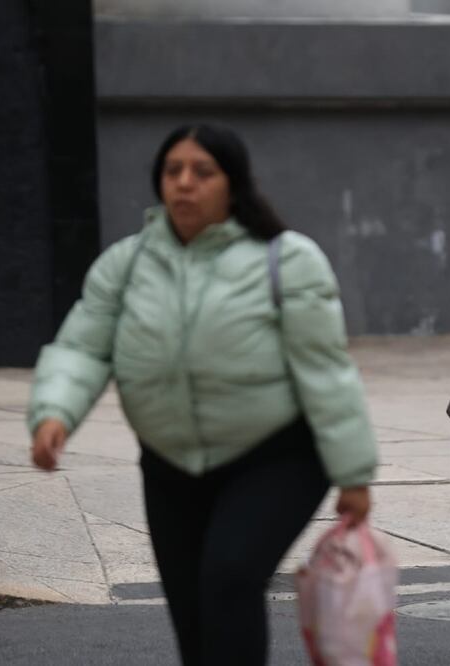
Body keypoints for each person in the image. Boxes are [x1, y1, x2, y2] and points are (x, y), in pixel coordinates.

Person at [27, 125, 378, 666]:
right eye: (173, 172)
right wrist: (54, 413)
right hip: (171, 464)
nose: (184, 184)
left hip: (276, 457)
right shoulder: (128, 263)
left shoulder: (286, 260)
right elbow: (82, 347)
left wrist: (353, 474)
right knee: (192, 616)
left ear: (232, 184)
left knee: (230, 580)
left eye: (202, 172)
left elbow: (326, 371)